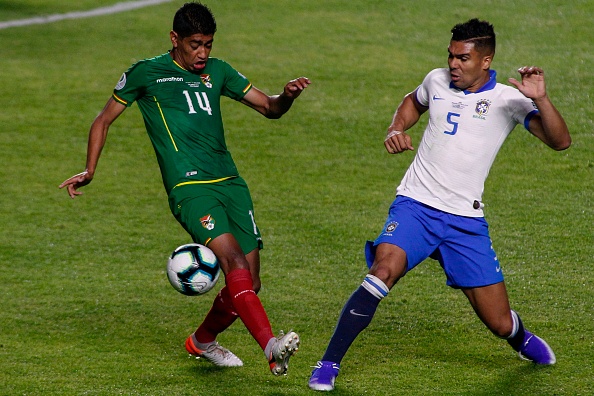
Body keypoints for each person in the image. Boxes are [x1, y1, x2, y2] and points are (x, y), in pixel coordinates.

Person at [308, 18, 570, 391]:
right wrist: (396, 129)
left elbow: (560, 142)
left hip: (465, 221)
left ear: (485, 60)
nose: (453, 65)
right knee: (382, 271)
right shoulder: (436, 81)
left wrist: (540, 98)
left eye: (462, 58)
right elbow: (411, 103)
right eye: (450, 56)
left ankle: (520, 338)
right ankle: (328, 363)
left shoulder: (509, 100)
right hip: (416, 206)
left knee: (497, 322)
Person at [60, 2, 310, 376]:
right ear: (175, 39)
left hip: (231, 183)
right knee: (234, 263)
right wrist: (90, 168)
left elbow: (270, 108)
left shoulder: (220, 71)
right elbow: (103, 119)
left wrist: (287, 96)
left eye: (208, 44)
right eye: (195, 44)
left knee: (251, 283)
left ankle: (202, 341)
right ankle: (271, 347)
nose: (203, 53)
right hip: (190, 187)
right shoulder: (147, 73)